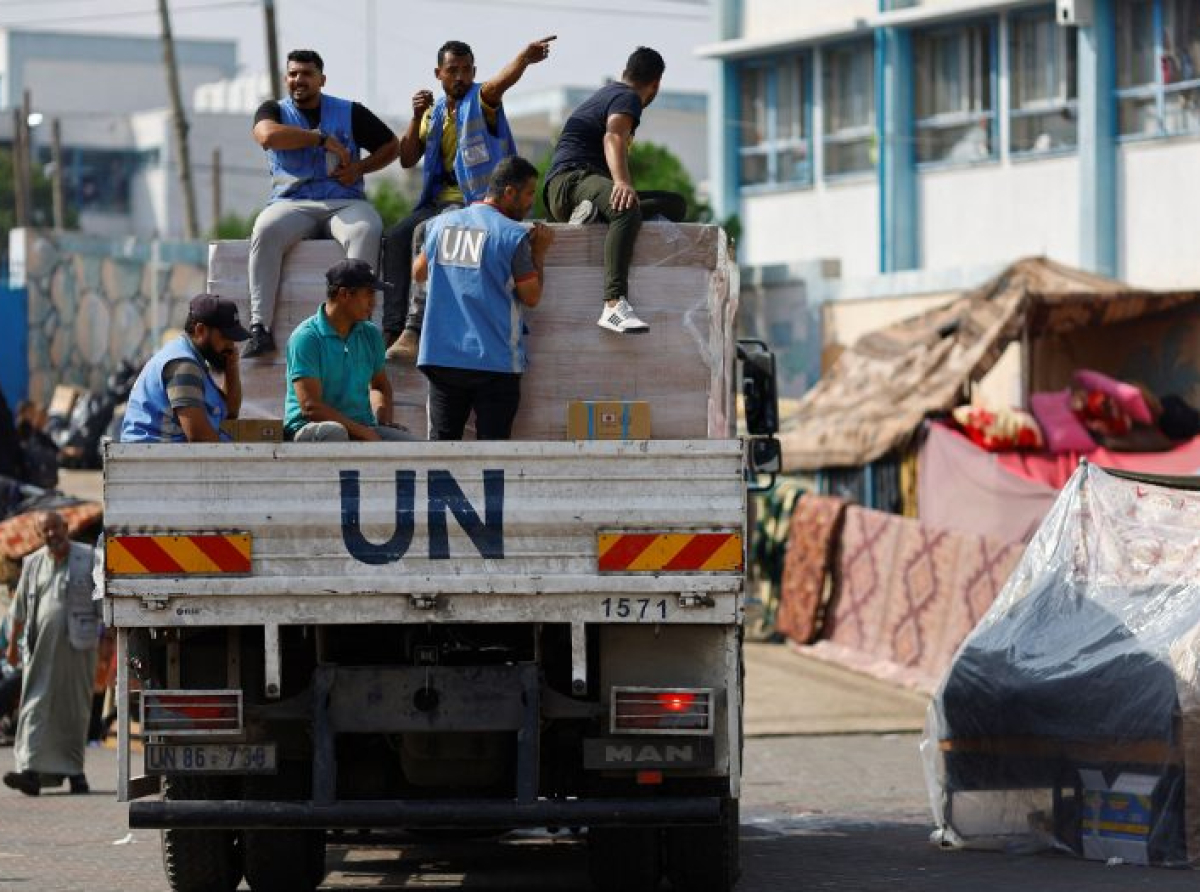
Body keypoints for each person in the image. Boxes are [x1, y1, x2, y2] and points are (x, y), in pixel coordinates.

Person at [381, 36, 555, 363]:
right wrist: (416, 116)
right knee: (395, 237)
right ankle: (392, 330)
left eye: (466, 70)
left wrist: (524, 58)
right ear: (439, 74)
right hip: (437, 200)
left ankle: (414, 329)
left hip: (477, 202)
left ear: (474, 71)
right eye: (452, 70)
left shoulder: (481, 100)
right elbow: (406, 159)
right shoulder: (432, 114)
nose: (460, 77)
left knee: (426, 234)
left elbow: (499, 84)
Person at [244, 48, 401, 358]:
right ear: (285, 79)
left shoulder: (349, 111)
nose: (298, 80)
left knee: (366, 229)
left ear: (322, 79)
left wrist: (360, 168)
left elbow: (391, 146)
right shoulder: (273, 110)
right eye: (293, 74)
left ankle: (359, 324)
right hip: (291, 202)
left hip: (343, 201)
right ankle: (260, 327)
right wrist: (319, 139)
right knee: (265, 230)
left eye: (306, 74)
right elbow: (266, 136)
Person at [543, 46, 688, 335]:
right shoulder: (627, 97)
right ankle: (613, 304)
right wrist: (622, 182)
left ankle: (594, 215)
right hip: (570, 181)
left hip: (579, 186)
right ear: (655, 84)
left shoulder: (608, 92)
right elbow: (613, 136)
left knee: (672, 204)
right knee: (626, 207)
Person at [413, 156, 551, 440]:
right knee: (492, 457)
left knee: (441, 452)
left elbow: (419, 272)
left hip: (442, 356)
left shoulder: (440, 225)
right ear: (509, 192)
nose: (530, 203)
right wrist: (539, 253)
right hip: (494, 360)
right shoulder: (513, 234)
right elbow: (532, 296)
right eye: (527, 194)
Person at [3, 511, 100, 796]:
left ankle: (75, 773)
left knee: (74, 709)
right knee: (35, 706)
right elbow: (19, 609)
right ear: (40, 534)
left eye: (56, 528)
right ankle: (29, 771)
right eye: (45, 531)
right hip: (40, 648)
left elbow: (103, 604)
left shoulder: (89, 557)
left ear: (66, 528)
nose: (51, 535)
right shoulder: (33, 563)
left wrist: (108, 647)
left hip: (78, 648)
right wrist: (11, 646)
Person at [284, 259, 414, 442]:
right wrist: (364, 433)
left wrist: (382, 422)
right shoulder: (307, 338)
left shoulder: (370, 334)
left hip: (361, 427)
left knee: (415, 448)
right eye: (369, 294)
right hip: (309, 428)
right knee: (335, 433)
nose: (373, 303)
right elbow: (311, 407)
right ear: (344, 294)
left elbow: (379, 385)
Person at [121, 294, 249, 443]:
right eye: (226, 337)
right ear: (200, 330)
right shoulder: (183, 365)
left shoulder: (193, 360)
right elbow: (200, 437)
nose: (231, 345)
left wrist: (231, 367)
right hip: (156, 459)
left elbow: (230, 412)